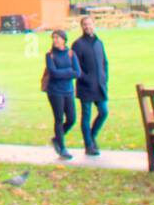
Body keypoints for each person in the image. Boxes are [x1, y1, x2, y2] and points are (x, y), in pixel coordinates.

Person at [71, 15, 108, 156]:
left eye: (90, 24)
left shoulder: (99, 42)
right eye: (85, 24)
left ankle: (92, 136)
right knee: (86, 115)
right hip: (86, 86)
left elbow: (104, 62)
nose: (88, 26)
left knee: (104, 112)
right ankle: (88, 145)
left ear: (94, 25)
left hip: (100, 85)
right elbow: (76, 67)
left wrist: (105, 78)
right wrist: (86, 79)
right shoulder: (78, 44)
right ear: (82, 27)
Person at [44, 29, 81, 161]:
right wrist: (68, 71)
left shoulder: (71, 53)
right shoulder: (50, 55)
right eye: (53, 38)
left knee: (71, 118)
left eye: (57, 38)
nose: (55, 40)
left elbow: (77, 72)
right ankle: (62, 147)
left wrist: (63, 72)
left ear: (64, 40)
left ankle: (57, 138)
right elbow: (53, 72)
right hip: (55, 91)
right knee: (59, 118)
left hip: (68, 90)